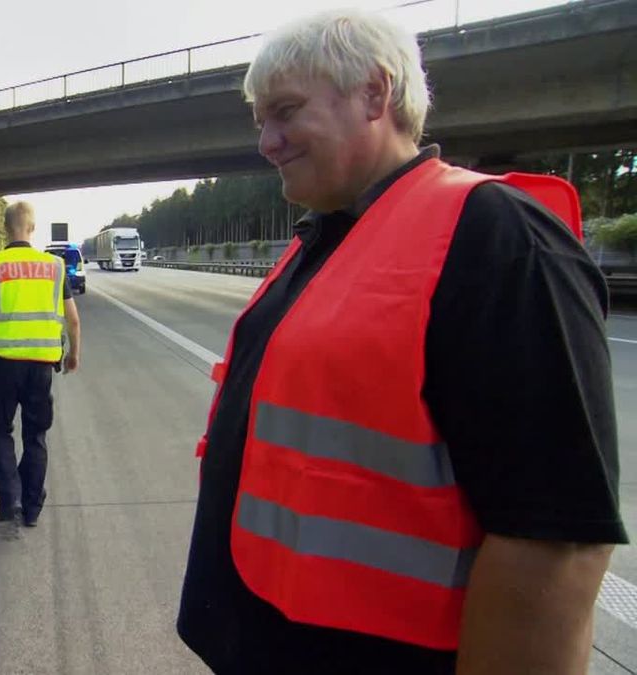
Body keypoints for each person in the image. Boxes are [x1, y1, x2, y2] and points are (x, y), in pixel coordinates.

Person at [176, 9, 627, 675]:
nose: (267, 141)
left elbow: (554, 543)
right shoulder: (326, 240)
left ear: (375, 94)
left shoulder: (498, 238)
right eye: (259, 122)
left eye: (286, 112)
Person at [0, 202, 81, 528]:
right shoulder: (54, 266)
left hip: (3, 365)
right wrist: (74, 354)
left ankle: (10, 501)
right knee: (35, 436)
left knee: (0, 430)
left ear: (6, 228)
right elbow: (73, 320)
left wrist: (2, 330)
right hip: (42, 366)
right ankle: (32, 509)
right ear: (32, 228)